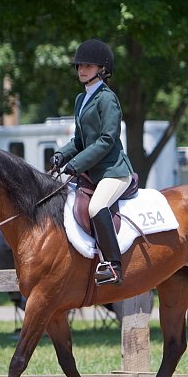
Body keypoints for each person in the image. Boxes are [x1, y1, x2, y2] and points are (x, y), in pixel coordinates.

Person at [51, 38, 133, 286]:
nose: (82, 70)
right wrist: (62, 154)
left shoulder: (107, 99)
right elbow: (79, 139)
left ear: (102, 68)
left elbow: (107, 139)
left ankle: (114, 265)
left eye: (88, 65)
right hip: (92, 174)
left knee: (96, 207)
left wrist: (77, 164)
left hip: (113, 171)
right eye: (79, 66)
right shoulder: (81, 99)